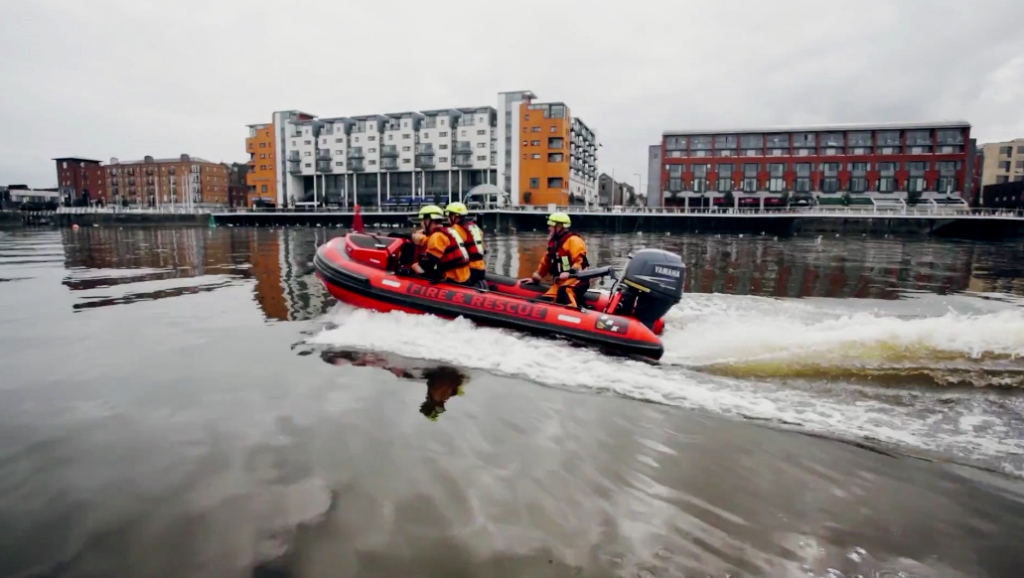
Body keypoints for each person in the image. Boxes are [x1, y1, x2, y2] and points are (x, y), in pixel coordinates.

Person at [527, 212, 591, 308]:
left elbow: (580, 261)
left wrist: (571, 272)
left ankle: (573, 313)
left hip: (577, 280)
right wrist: (536, 277)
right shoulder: (555, 244)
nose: (549, 228)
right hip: (560, 282)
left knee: (564, 291)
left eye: (551, 226)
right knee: (539, 301)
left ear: (559, 226)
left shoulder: (574, 240)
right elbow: (546, 262)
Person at [410, 204, 472, 285]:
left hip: (455, 280)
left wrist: (408, 271)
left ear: (429, 220)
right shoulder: (450, 231)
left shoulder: (436, 236)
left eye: (422, 220)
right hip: (465, 277)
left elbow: (427, 264)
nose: (421, 224)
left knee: (416, 267)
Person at [444, 201, 487, 288]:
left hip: (470, 269)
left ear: (455, 216)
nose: (447, 219)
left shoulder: (456, 229)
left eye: (449, 216)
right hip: (481, 268)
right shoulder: (474, 227)